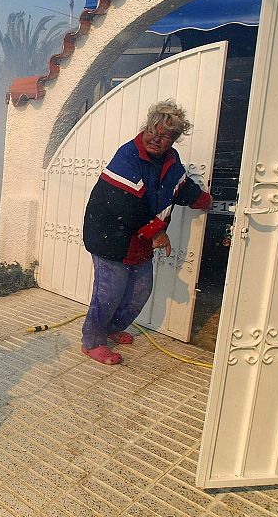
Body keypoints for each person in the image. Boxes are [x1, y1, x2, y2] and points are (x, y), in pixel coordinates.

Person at [81, 100, 212, 365]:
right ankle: (92, 341)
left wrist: (204, 200)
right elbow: (123, 203)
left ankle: (113, 328)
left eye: (165, 135)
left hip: (138, 240)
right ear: (145, 128)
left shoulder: (172, 161)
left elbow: (180, 187)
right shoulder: (128, 156)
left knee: (141, 290)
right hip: (111, 237)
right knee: (109, 293)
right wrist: (156, 233)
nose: (156, 138)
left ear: (174, 140)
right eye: (152, 130)